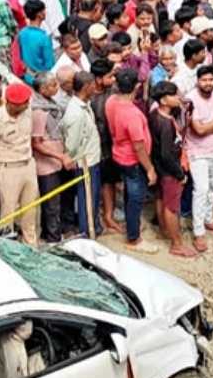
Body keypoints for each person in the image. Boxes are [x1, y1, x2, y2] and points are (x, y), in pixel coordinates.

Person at [105, 68, 158, 254]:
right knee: (135, 198)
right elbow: (139, 147)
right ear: (137, 86)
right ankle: (134, 238)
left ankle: (132, 225)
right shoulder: (132, 114)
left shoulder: (111, 101)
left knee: (129, 194)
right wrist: (150, 168)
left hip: (119, 153)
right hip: (133, 160)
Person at [0, 82, 40, 246]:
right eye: (24, 103)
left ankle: (31, 246)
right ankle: (7, 247)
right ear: (13, 104)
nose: (28, 105)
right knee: (8, 212)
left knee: (30, 210)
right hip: (8, 169)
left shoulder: (27, 112)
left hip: (28, 164)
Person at [148, 80, 197, 257]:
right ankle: (176, 243)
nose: (177, 98)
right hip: (170, 169)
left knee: (161, 199)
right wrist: (180, 174)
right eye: (173, 95)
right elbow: (167, 155)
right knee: (172, 207)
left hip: (160, 168)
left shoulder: (155, 115)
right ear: (163, 100)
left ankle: (163, 230)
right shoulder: (165, 124)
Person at [185, 65, 213, 252]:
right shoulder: (191, 99)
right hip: (196, 152)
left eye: (211, 79)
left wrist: (207, 127)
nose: (208, 83)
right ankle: (198, 232)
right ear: (197, 81)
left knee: (212, 187)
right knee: (201, 190)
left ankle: (208, 219)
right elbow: (198, 130)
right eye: (204, 80)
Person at [31, 71, 76, 243]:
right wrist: (59, 156)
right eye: (52, 85)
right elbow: (37, 143)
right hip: (47, 164)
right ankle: (53, 238)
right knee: (52, 205)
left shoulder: (52, 104)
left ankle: (64, 229)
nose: (56, 88)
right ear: (42, 89)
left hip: (59, 160)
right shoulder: (38, 111)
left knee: (64, 198)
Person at [63, 71, 103, 238]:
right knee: (87, 200)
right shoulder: (76, 113)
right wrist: (70, 157)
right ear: (86, 87)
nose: (96, 86)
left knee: (93, 197)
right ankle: (87, 233)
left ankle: (94, 227)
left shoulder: (84, 105)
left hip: (93, 159)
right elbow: (71, 143)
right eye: (93, 84)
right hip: (85, 163)